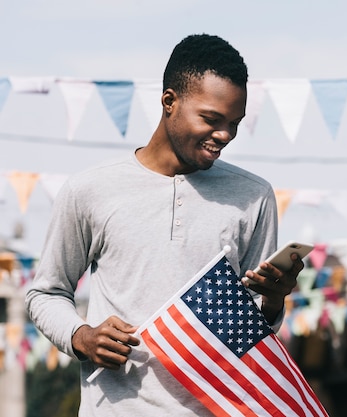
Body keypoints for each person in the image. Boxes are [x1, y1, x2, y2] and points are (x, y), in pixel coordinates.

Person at [25, 34, 304, 416]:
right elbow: (45, 293)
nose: (224, 135)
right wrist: (81, 336)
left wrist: (273, 300)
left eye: (234, 123)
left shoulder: (253, 195)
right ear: (169, 101)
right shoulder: (89, 189)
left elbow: (250, 332)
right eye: (210, 118)